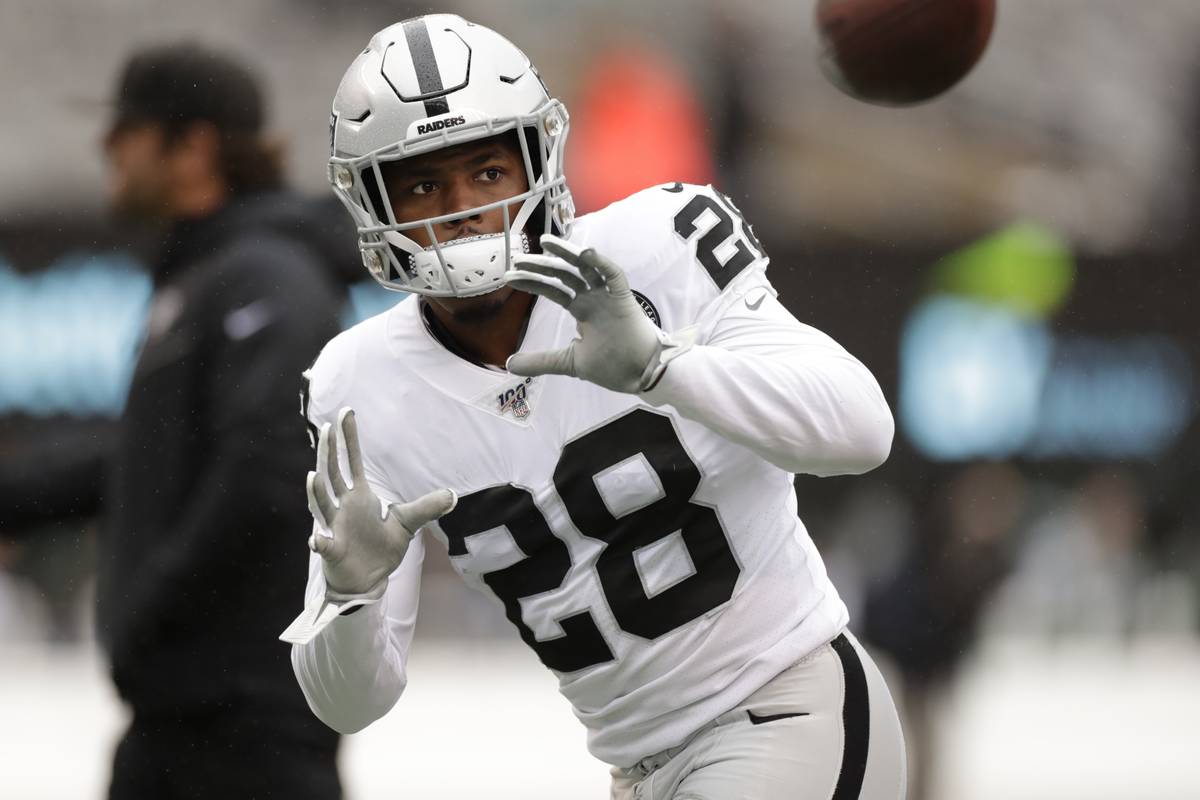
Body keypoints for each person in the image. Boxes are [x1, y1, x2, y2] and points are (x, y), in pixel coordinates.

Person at [284, 14, 906, 799]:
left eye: (485, 172)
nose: (460, 207)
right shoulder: (359, 382)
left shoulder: (656, 247)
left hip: (785, 709)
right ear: (372, 204)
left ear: (536, 163)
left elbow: (862, 430)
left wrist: (660, 368)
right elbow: (349, 702)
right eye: (420, 184)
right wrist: (351, 599)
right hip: (636, 770)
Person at [97, 43, 345, 799]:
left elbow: (268, 471)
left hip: (244, 729)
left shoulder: (265, 274)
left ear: (193, 145)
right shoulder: (206, 274)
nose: (107, 151)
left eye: (124, 132)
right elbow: (151, 462)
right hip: (185, 720)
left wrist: (150, 615)